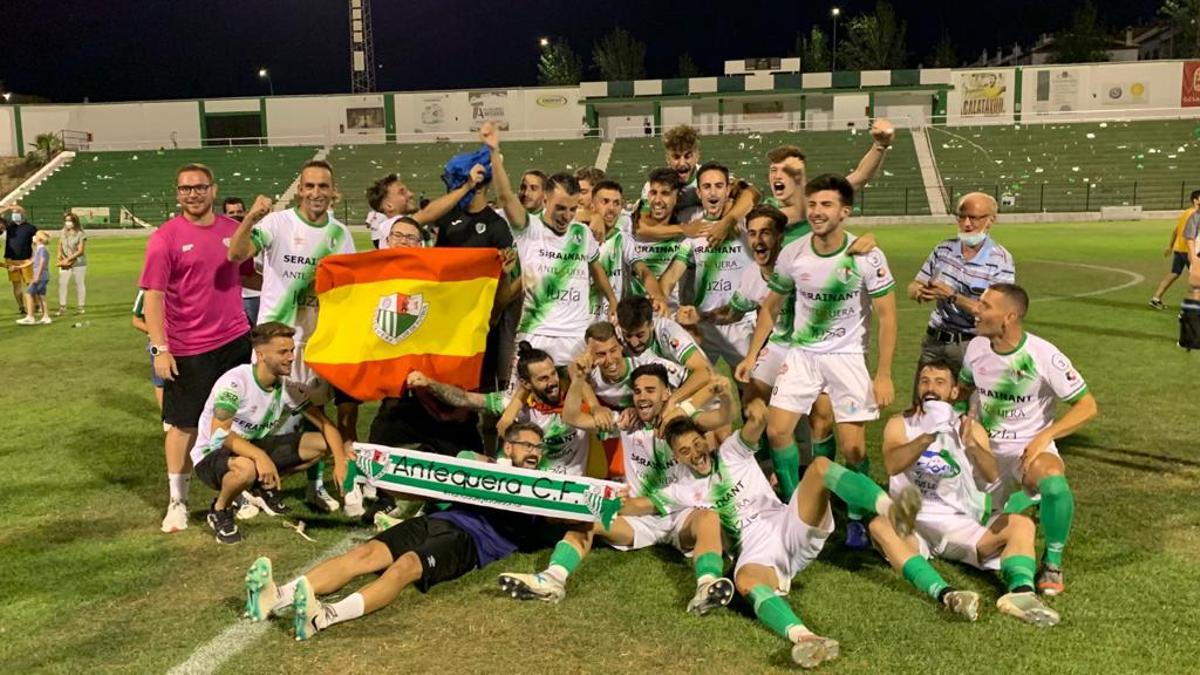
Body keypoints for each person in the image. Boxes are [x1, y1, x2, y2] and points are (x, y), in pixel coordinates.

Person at [621, 408, 973, 668]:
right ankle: (805, 637)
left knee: (819, 469)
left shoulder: (731, 452)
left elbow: (755, 425)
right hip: (756, 551)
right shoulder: (681, 489)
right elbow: (639, 505)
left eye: (698, 443)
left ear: (706, 440)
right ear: (676, 458)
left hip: (787, 523)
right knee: (744, 579)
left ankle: (896, 517)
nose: (696, 453)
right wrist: (609, 502)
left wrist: (750, 412)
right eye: (685, 451)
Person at [241, 423, 572, 641]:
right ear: (507, 448)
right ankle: (276, 596)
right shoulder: (474, 464)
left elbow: (566, 520)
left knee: (406, 567)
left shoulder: (545, 491)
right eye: (525, 445)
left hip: (471, 543)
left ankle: (323, 617)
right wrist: (368, 463)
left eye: (538, 447)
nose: (533, 451)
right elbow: (422, 484)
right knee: (362, 555)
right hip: (438, 522)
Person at [737, 175, 897, 550]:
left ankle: (856, 519)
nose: (817, 212)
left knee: (854, 447)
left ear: (845, 211)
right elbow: (770, 308)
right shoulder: (794, 253)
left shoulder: (866, 255)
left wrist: (884, 373)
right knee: (777, 430)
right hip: (803, 354)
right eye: (812, 204)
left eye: (826, 205)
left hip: (846, 358)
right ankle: (796, 508)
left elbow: (888, 316)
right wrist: (752, 355)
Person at [498, 365, 735, 614]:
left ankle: (707, 584)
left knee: (709, 518)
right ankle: (552, 578)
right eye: (637, 391)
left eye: (650, 390)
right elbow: (572, 418)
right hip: (639, 518)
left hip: (681, 513)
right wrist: (578, 381)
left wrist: (727, 394)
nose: (642, 397)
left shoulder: (684, 423)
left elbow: (724, 418)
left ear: (667, 393)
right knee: (588, 519)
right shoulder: (626, 422)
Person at [883, 360, 1060, 626]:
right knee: (879, 526)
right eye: (925, 381)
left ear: (954, 392)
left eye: (940, 382)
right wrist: (927, 436)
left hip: (959, 524)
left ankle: (1021, 594)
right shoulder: (901, 423)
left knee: (1021, 525)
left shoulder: (970, 428)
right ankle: (946, 593)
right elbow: (892, 464)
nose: (930, 388)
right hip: (912, 521)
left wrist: (972, 445)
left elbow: (991, 476)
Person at [228, 160, 354, 514]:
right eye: (309, 186)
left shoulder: (340, 234)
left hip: (316, 340)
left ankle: (315, 488)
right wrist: (251, 217)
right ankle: (244, 483)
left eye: (323, 187)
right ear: (300, 189)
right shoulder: (276, 223)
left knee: (314, 413)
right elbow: (235, 254)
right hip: (274, 338)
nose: (316, 193)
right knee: (255, 413)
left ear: (333, 191)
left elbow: (349, 287)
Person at [957, 283, 1098, 595]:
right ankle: (1018, 504)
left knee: (1054, 483)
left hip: (1028, 449)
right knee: (975, 533)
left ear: (1009, 317)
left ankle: (1053, 561)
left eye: (985, 306)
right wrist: (956, 418)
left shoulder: (1042, 354)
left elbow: (1088, 406)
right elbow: (964, 387)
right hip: (985, 450)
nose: (976, 311)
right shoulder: (976, 348)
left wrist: (1044, 437)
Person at [139, 163, 252, 533]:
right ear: (178, 193)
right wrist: (160, 349)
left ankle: (237, 489)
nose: (193, 193)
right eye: (186, 188)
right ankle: (178, 500)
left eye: (200, 187)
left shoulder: (232, 231)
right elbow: (153, 297)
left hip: (235, 341)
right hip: (188, 348)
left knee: (232, 420)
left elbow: (248, 273)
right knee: (183, 425)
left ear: (213, 190)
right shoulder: (165, 237)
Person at [190, 322, 347, 544]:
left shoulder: (286, 386)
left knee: (321, 445)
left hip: (252, 447)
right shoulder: (235, 382)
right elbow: (220, 435)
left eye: (291, 350)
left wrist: (340, 461)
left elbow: (327, 426)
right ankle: (220, 510)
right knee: (246, 468)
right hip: (212, 454)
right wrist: (260, 456)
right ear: (260, 354)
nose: (292, 357)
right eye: (283, 352)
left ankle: (260, 487)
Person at [484, 124, 617, 373]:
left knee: (574, 406)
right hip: (535, 333)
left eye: (572, 208)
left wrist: (613, 300)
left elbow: (596, 267)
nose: (566, 216)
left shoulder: (582, 233)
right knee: (520, 406)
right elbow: (505, 197)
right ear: (545, 200)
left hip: (576, 336)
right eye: (560, 208)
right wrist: (494, 152)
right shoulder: (528, 228)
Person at [409, 343, 589, 475]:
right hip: (520, 481)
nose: (552, 383)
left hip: (563, 486)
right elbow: (464, 398)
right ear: (526, 384)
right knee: (464, 458)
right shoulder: (512, 404)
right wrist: (429, 383)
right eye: (543, 379)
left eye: (553, 374)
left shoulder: (574, 400)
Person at [908, 192, 1015, 375]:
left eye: (973, 218)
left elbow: (994, 314)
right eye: (961, 217)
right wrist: (919, 291)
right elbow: (915, 284)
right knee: (925, 401)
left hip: (972, 345)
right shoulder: (943, 249)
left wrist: (952, 296)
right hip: (934, 341)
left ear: (991, 220)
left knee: (967, 403)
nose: (966, 224)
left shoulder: (1001, 260)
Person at [662, 162, 754, 367]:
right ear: (699, 192)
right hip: (703, 326)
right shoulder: (695, 233)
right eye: (707, 186)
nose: (713, 192)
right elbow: (669, 278)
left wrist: (729, 222)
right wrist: (662, 303)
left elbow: (754, 193)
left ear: (728, 190)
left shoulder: (747, 225)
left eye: (719, 186)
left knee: (751, 391)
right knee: (695, 387)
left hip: (741, 324)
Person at [616, 295, 713, 414]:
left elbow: (704, 372)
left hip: (697, 394)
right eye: (628, 336)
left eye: (640, 335)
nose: (634, 343)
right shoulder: (616, 335)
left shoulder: (668, 331)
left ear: (651, 325)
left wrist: (673, 400)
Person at [587, 180, 632, 324]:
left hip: (610, 321)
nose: (611, 208)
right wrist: (594, 217)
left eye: (616, 203)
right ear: (592, 205)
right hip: (578, 323)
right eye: (605, 202)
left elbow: (643, 270)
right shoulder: (577, 235)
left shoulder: (623, 239)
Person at [1149, 189, 1200, 309]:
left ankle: (1155, 298)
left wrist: (1170, 246)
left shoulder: (1186, 212)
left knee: (1174, 273)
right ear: (1195, 200)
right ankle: (1193, 309)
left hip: (1179, 249)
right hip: (1189, 250)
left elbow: (1176, 230)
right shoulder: (1195, 214)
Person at [222, 197, 261, 326]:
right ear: (225, 215)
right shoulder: (221, 238)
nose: (236, 215)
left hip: (258, 295)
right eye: (231, 213)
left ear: (246, 213)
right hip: (237, 297)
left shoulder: (258, 232)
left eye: (239, 212)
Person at [132, 290, 166, 415]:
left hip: (182, 343)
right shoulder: (146, 291)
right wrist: (156, 333)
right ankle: (166, 419)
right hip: (159, 344)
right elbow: (136, 321)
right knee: (161, 382)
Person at [2, 203, 38, 314]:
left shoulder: (30, 228)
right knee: (16, 284)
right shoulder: (10, 226)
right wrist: (8, 208)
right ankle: (21, 306)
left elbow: (38, 241)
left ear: (23, 214)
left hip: (26, 260)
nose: (14, 215)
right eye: (13, 213)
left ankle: (35, 304)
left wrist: (34, 256)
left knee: (30, 283)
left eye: (17, 213)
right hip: (11, 260)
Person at [15, 230, 51, 325]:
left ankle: (30, 317)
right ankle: (46, 317)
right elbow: (31, 262)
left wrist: (37, 276)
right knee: (41, 296)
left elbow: (42, 262)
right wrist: (18, 267)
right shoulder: (39, 249)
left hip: (40, 276)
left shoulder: (42, 249)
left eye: (35, 236)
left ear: (39, 239)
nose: (33, 237)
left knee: (28, 293)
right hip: (44, 276)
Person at [56, 213, 87, 315]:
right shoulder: (63, 232)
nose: (67, 223)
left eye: (70, 220)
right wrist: (60, 255)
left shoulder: (81, 234)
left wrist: (69, 259)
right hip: (65, 262)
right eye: (66, 220)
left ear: (75, 222)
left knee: (79, 284)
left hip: (78, 263)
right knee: (62, 283)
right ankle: (62, 306)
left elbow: (81, 250)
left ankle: (81, 307)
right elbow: (60, 244)